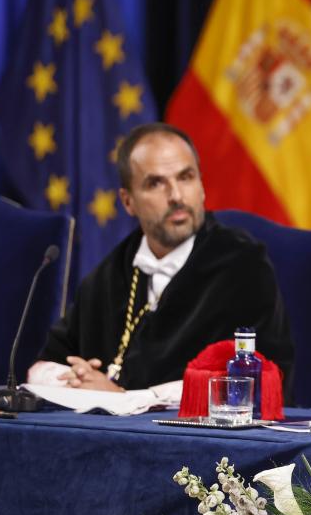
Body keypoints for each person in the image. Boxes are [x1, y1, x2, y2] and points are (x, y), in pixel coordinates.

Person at [29, 122, 294, 396]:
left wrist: (122, 397)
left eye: (186, 177)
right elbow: (45, 363)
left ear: (201, 187)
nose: (176, 196)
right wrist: (76, 378)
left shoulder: (243, 267)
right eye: (155, 183)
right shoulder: (108, 275)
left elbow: (255, 383)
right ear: (128, 201)